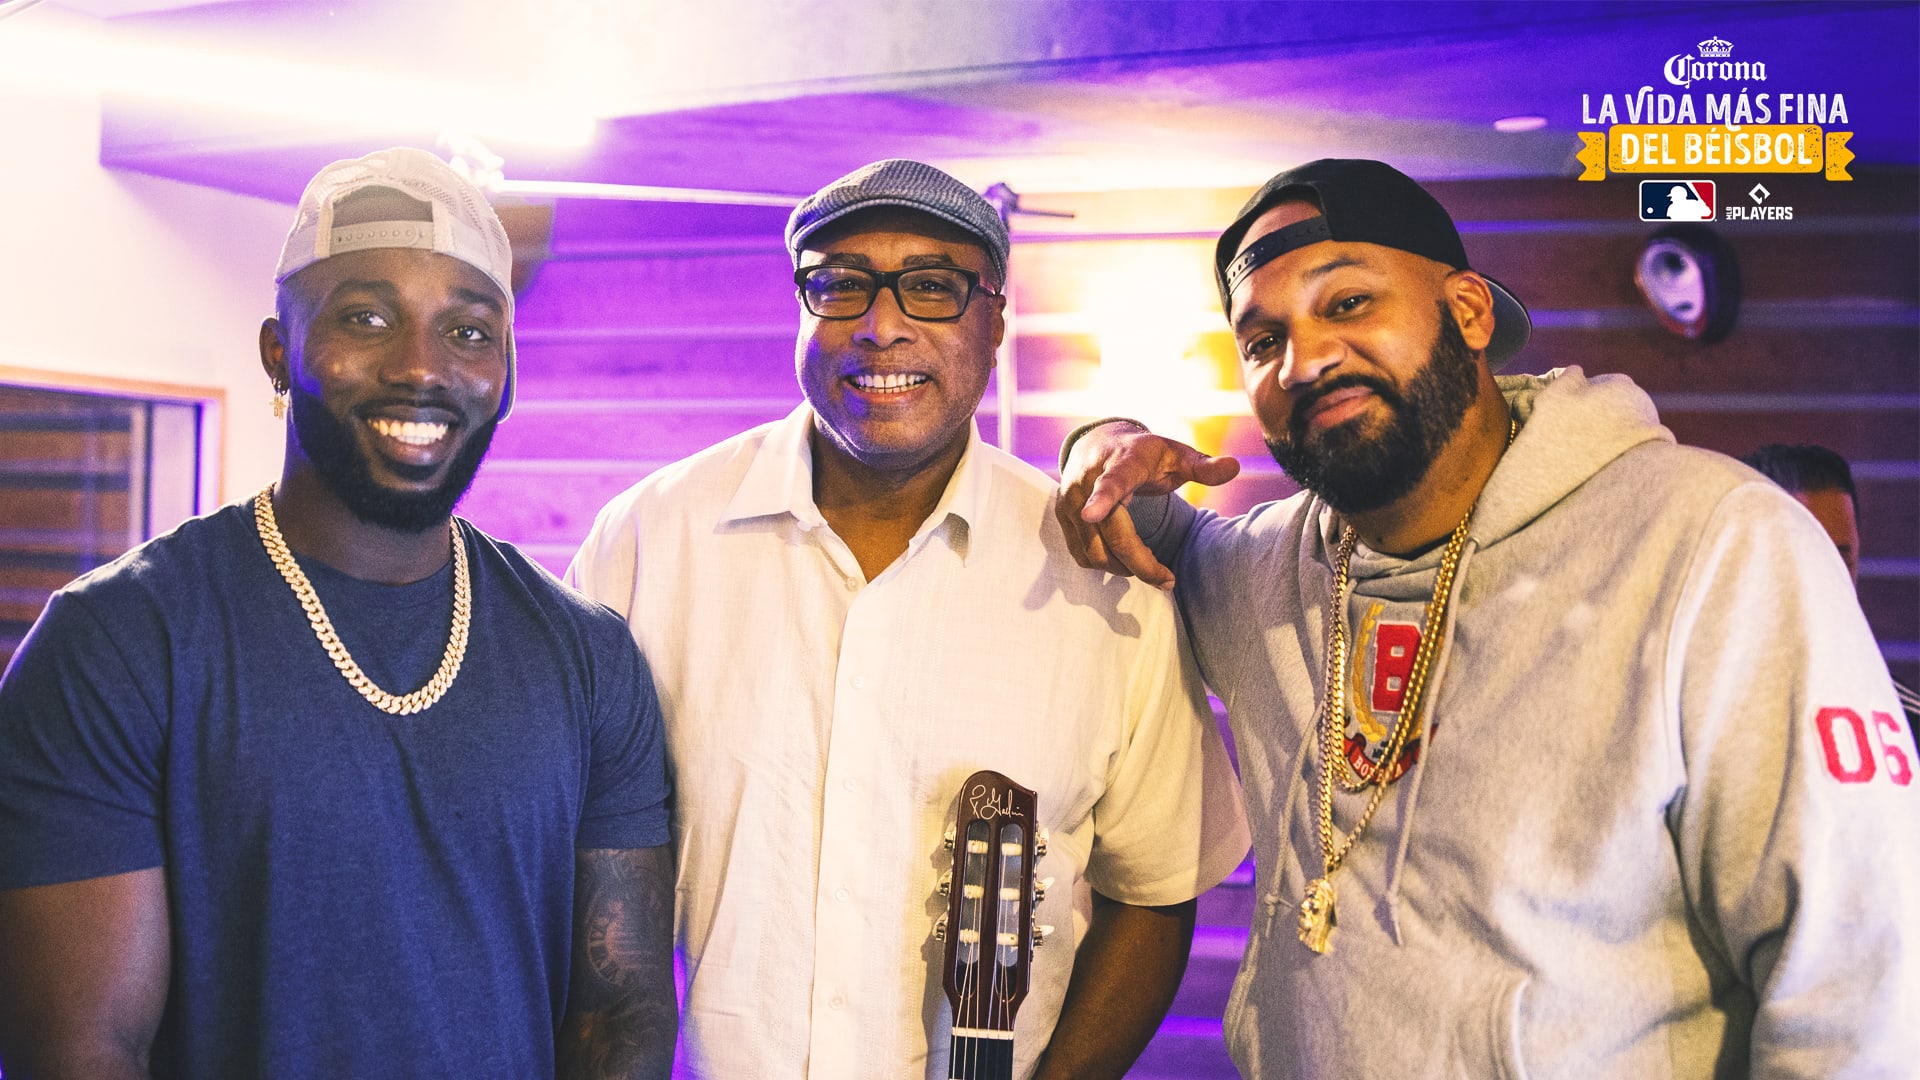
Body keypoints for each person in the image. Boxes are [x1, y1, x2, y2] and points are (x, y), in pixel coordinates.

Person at [1054, 158, 1920, 1077]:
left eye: (1347, 303)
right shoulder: (1262, 571)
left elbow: (1864, 981)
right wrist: (1095, 440)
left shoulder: (1716, 543)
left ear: (1468, 313)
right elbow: (1140, 516)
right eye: (1264, 341)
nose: (1304, 361)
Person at [0, 148, 676, 1079]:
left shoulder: (590, 658)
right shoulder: (118, 643)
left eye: (469, 332)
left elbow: (621, 1013)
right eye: (366, 318)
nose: (422, 367)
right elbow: (79, 1048)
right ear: (280, 352)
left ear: (509, 373)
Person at [568, 159, 1249, 1079]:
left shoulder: (1099, 575)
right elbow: (569, 862)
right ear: (801, 311)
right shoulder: (650, 541)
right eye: (840, 285)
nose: (882, 326)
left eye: (932, 288)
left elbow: (1154, 892)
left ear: (996, 323)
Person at [1742, 442, 1920, 733]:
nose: (1825, 582)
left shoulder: (1907, 727)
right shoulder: (1683, 718)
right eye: (1800, 557)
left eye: (1839, 560)